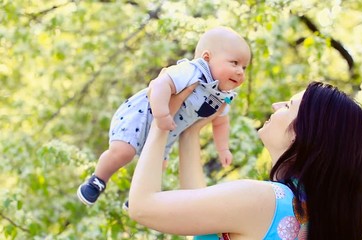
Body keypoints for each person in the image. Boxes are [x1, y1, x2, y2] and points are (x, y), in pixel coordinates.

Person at [128, 81, 362, 240]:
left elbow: (142, 207)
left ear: (304, 133)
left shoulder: (263, 199)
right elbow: (200, 215)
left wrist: (163, 119)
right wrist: (190, 132)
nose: (276, 105)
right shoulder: (308, 215)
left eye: (288, 106)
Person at [77, 26, 251, 206]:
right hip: (143, 115)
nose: (240, 72)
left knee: (157, 165)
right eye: (234, 63)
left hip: (168, 131)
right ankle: (98, 180)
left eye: (244, 67)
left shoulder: (223, 95)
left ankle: (137, 195)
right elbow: (160, 84)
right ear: (207, 58)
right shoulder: (191, 71)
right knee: (123, 152)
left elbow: (221, 122)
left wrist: (223, 149)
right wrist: (161, 115)